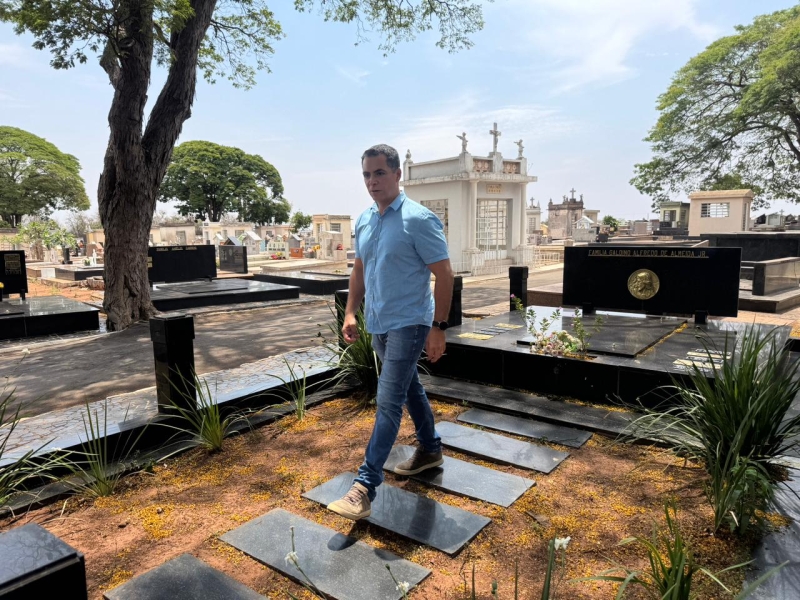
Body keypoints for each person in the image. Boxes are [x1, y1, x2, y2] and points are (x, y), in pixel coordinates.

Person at [327, 144, 455, 520]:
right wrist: (350, 312)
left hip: (410, 322)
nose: (372, 181)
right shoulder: (365, 220)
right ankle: (430, 449)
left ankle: (364, 487)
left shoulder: (419, 219)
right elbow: (359, 270)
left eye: (379, 173)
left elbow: (445, 274)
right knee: (408, 387)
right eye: (367, 175)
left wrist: (439, 327)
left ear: (398, 174)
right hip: (379, 322)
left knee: (388, 400)